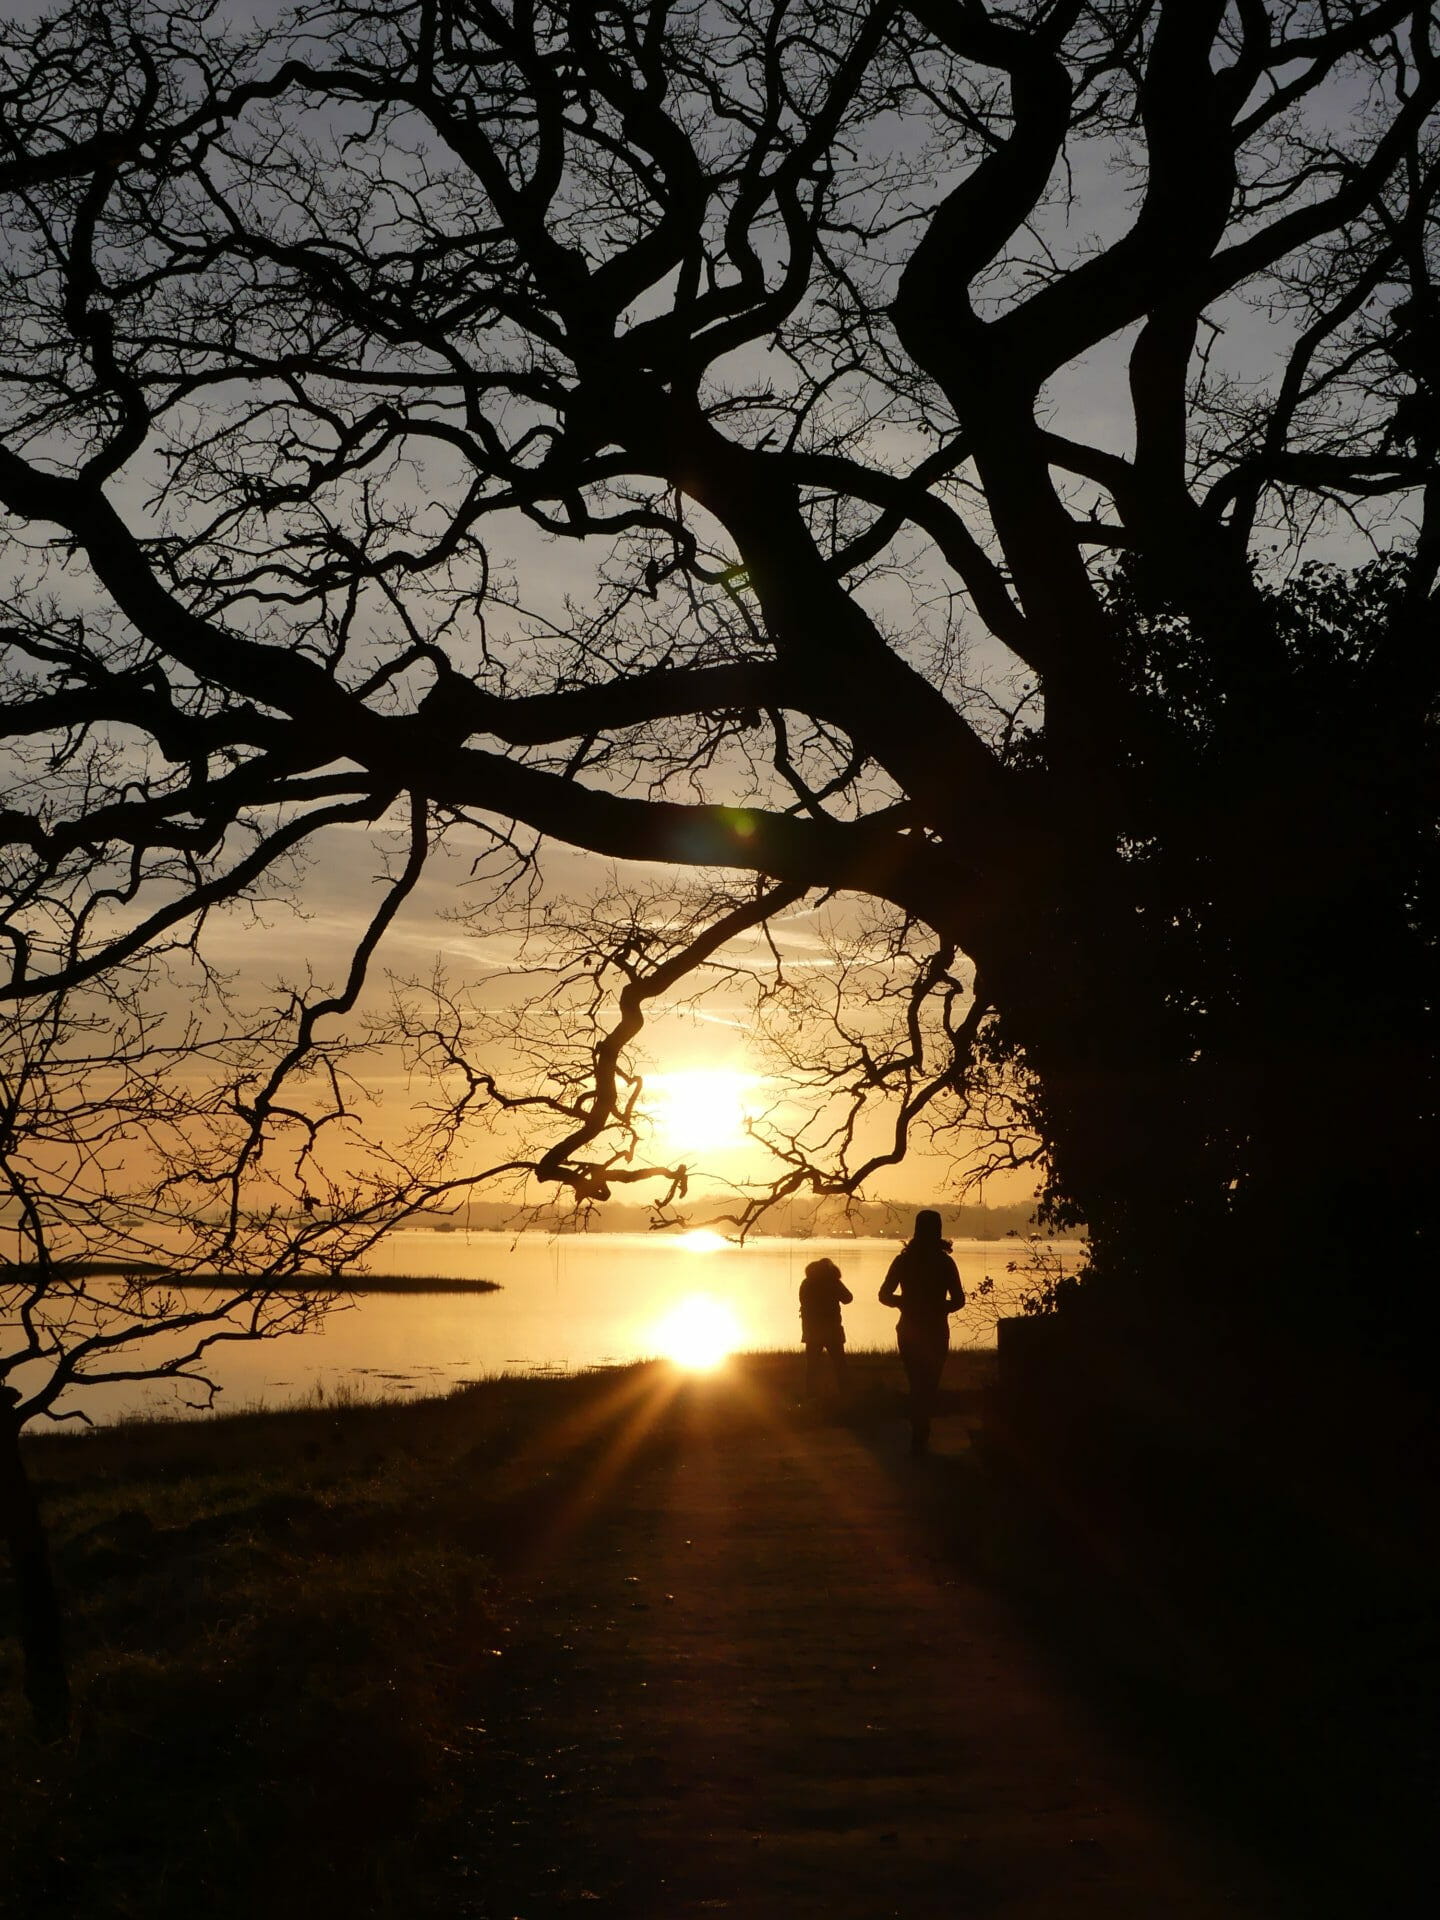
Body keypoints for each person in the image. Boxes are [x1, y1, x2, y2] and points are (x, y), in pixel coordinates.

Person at [879, 1209, 964, 1452]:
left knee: (916, 1380)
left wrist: (903, 1303)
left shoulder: (903, 1261)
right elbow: (958, 1300)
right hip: (936, 1329)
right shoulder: (945, 1262)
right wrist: (940, 1308)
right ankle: (921, 1426)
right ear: (938, 1231)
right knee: (929, 1382)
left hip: (909, 1328)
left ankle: (919, 1427)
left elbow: (884, 1295)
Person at [798, 1256, 852, 1398]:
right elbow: (848, 1298)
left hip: (812, 1329)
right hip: (832, 1329)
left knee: (812, 1367)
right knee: (840, 1364)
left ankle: (810, 1396)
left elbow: (803, 1302)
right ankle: (845, 1394)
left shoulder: (806, 1283)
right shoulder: (833, 1283)